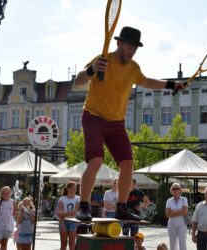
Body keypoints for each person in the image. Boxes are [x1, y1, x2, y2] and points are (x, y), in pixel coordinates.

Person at [74, 26, 186, 221]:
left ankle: (122, 207)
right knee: (96, 160)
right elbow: (78, 81)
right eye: (129, 48)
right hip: (93, 117)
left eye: (135, 49)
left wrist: (170, 84)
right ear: (118, 43)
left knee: (127, 164)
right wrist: (92, 69)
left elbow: (146, 81)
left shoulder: (133, 68)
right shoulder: (103, 59)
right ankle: (83, 206)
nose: (132, 52)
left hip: (116, 123)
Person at [0, 186, 17, 250]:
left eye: (8, 193)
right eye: (4, 193)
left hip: (8, 227)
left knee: (4, 244)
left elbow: (13, 214)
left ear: (10, 194)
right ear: (1, 194)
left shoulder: (13, 202)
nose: (6, 194)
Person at [165, 183, 188, 250]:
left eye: (177, 188)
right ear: (171, 190)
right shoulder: (169, 200)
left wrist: (173, 212)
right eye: (173, 189)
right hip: (171, 224)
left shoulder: (184, 199)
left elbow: (185, 212)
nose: (175, 190)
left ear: (180, 190)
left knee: (182, 243)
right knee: (172, 244)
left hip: (182, 224)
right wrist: (180, 211)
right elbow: (167, 214)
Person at [58, 182, 80, 250]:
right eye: (73, 188)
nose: (75, 189)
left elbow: (75, 212)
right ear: (68, 189)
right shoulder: (62, 199)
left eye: (75, 188)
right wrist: (62, 221)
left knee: (72, 244)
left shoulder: (77, 198)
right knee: (63, 244)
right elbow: (59, 213)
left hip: (73, 221)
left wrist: (63, 214)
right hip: (63, 221)